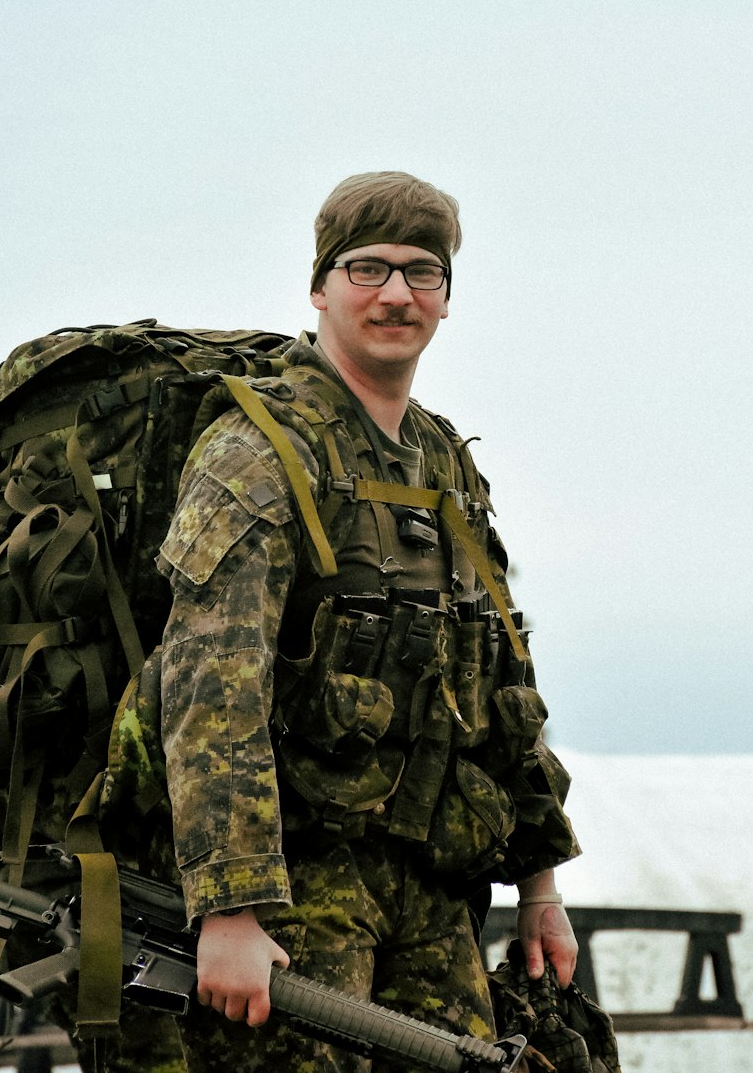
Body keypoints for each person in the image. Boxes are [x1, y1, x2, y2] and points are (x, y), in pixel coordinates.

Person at [157, 171, 581, 1072]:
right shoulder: (258, 449)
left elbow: (501, 678)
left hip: (430, 884)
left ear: (445, 298)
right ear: (320, 287)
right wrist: (230, 907)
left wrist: (539, 881)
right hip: (294, 885)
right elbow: (210, 685)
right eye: (368, 268)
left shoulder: (444, 464)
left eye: (422, 272)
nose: (397, 294)